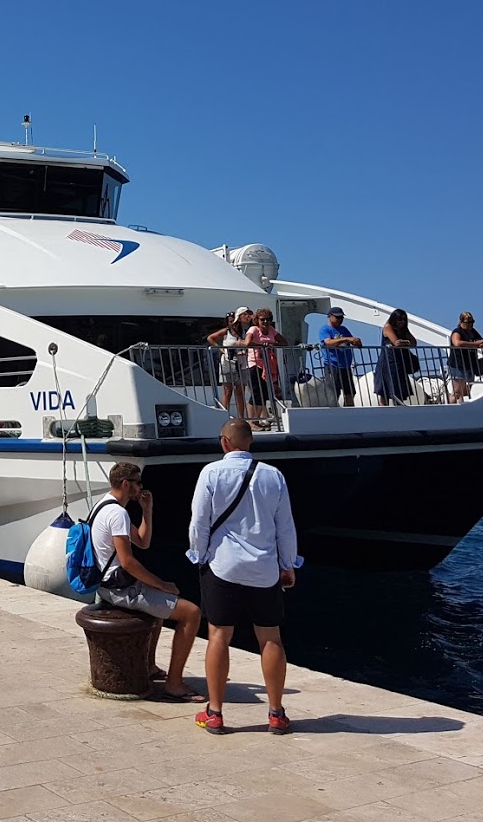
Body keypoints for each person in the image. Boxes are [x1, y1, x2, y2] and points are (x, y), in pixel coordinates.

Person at [187, 419, 299, 734]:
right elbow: (285, 526)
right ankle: (276, 714)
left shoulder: (210, 473)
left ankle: (215, 713)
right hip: (264, 569)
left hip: (222, 566)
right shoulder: (273, 476)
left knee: (219, 636)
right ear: (250, 442)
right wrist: (288, 564)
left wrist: (200, 555)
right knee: (271, 638)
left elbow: (200, 523)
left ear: (224, 442)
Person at [90, 461, 204, 702]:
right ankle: (174, 684)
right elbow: (128, 561)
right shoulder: (118, 513)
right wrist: (162, 585)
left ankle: (149, 667)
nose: (141, 486)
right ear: (125, 484)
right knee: (191, 613)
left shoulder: (104, 505)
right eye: (138, 482)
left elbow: (143, 541)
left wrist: (147, 510)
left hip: (107, 584)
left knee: (160, 608)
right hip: (120, 589)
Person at [208, 307, 254, 419]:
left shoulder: (245, 331)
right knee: (227, 392)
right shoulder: (226, 332)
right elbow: (211, 338)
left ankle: (241, 418)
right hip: (228, 363)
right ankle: (223, 418)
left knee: (240, 392)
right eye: (230, 321)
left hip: (242, 363)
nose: (232, 323)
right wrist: (220, 349)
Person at [245, 309, 287, 427]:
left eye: (267, 319)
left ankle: (256, 420)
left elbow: (284, 342)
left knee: (263, 393)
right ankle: (251, 421)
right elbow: (247, 343)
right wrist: (262, 346)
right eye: (262, 319)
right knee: (255, 393)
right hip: (254, 364)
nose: (265, 322)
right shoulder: (253, 329)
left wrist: (272, 345)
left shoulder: (271, 331)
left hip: (267, 366)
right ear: (257, 320)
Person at [373, 309, 419, 406]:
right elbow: (396, 342)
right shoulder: (388, 327)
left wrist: (404, 342)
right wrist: (406, 342)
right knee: (385, 391)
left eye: (403, 320)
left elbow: (414, 342)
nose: (402, 322)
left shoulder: (403, 330)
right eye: (399, 319)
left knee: (399, 391)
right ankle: (383, 413)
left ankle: (398, 411)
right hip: (387, 363)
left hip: (399, 363)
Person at [318, 307, 362, 407]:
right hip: (332, 365)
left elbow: (351, 340)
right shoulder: (325, 329)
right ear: (330, 317)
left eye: (341, 317)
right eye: (337, 317)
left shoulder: (344, 329)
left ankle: (349, 413)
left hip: (345, 366)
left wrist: (356, 342)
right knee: (334, 392)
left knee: (350, 392)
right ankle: (333, 413)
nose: (340, 319)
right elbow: (328, 342)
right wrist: (346, 339)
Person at [448, 312, 483, 404]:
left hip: (470, 364)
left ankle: (463, 409)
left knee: (466, 392)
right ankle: (451, 409)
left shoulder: (473, 332)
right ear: (462, 322)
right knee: (457, 392)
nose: (470, 325)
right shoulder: (457, 332)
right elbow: (457, 343)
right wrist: (475, 344)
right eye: (468, 322)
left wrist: (482, 344)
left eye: (472, 322)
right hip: (458, 364)